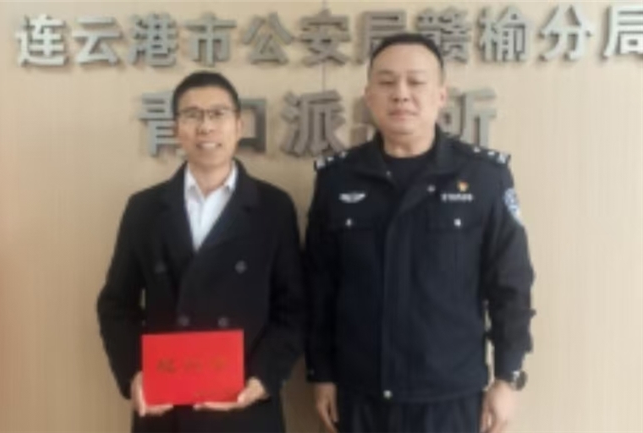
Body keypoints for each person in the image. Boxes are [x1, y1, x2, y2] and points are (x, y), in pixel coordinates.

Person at [305, 33, 535, 433]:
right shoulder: (338, 179)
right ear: (369, 96)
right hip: (360, 393)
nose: (401, 94)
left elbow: (510, 285)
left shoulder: (484, 177)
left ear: (441, 95)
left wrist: (506, 376)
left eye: (416, 81)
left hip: (449, 397)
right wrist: (321, 373)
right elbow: (319, 286)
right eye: (387, 82)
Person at [97, 71, 304, 433]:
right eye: (192, 115)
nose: (205, 126)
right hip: (166, 408)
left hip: (246, 407)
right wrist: (135, 372)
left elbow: (294, 307)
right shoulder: (144, 209)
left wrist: (263, 378)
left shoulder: (273, 207)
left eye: (218, 114)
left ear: (239, 126)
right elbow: (116, 305)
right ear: (176, 129)